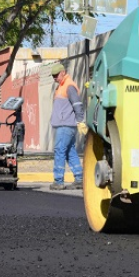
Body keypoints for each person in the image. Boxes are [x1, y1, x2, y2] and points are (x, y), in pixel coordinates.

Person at [49, 62, 86, 191]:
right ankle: (79, 179)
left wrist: (80, 120)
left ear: (63, 72)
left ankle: (58, 181)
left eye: (56, 75)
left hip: (65, 125)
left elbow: (77, 104)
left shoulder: (69, 86)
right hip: (66, 125)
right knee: (70, 151)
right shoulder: (61, 86)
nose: (54, 78)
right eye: (53, 76)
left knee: (59, 150)